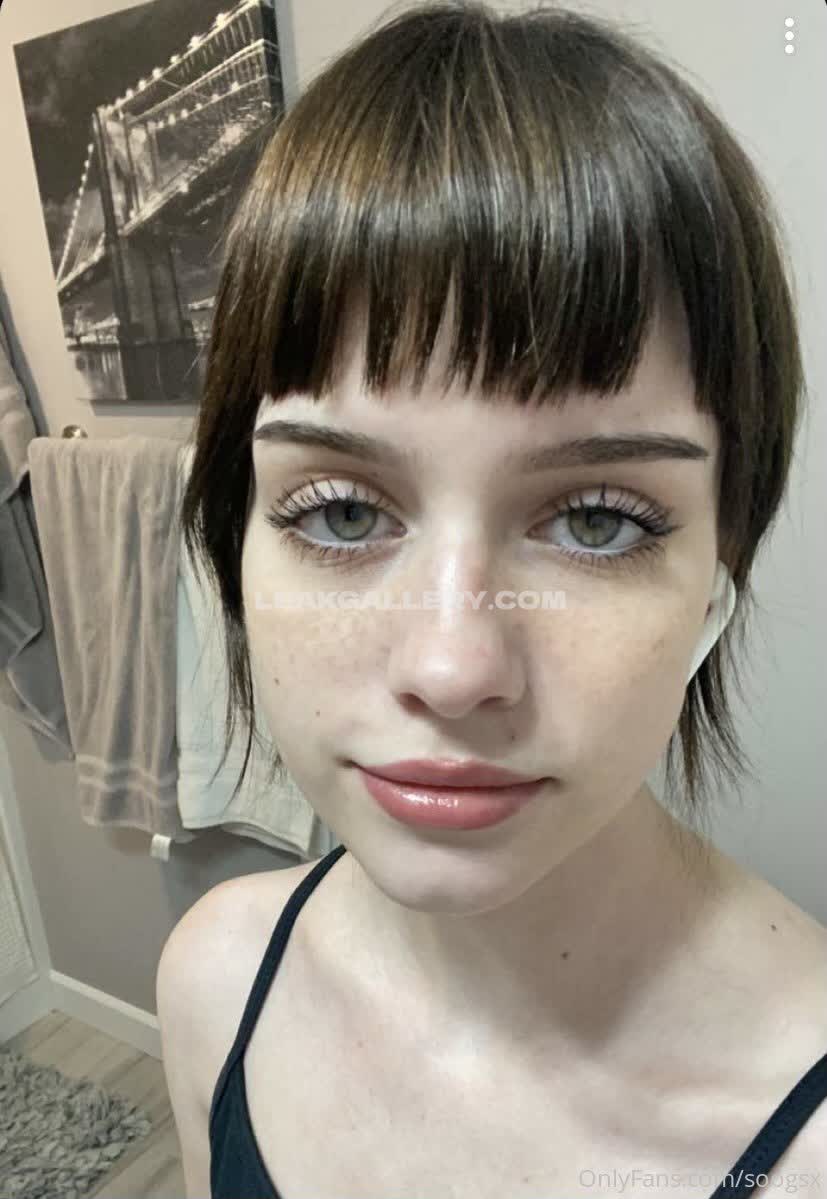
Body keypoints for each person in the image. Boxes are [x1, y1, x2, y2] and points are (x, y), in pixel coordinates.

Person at [157, 3, 827, 1196]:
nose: (453, 666)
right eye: (340, 512)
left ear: (718, 577)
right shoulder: (216, 978)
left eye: (595, 520)